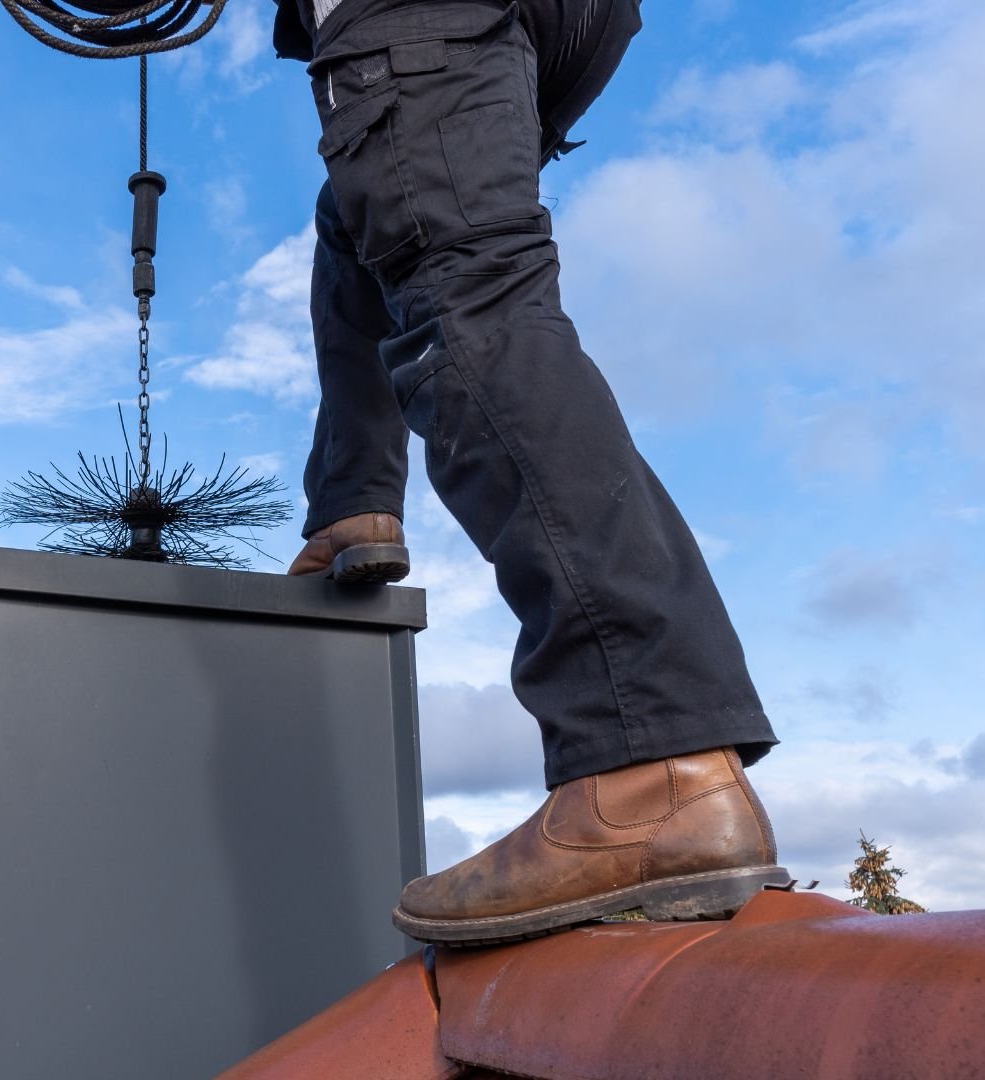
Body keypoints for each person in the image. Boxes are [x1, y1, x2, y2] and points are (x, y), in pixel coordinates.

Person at [270, 0, 788, 944]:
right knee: (358, 225)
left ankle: (651, 768)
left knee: (469, 306)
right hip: (532, 29)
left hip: (413, 18)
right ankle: (353, 500)